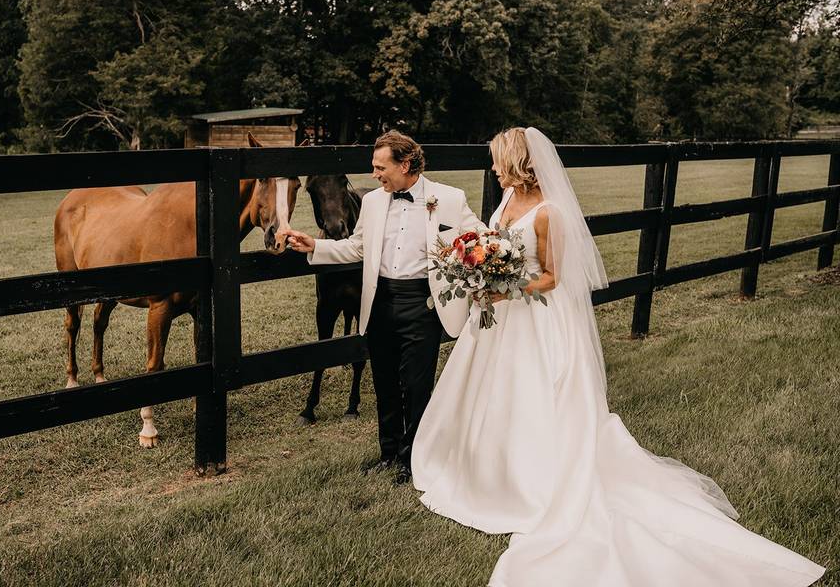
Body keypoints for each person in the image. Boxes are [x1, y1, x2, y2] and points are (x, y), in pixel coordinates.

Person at [411, 127, 826, 586]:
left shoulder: (550, 214)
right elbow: (493, 242)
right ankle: (482, 471)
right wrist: (480, 269)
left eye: (496, 159)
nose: (492, 167)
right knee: (490, 393)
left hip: (534, 318)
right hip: (500, 318)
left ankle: (529, 483)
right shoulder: (507, 197)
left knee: (534, 396)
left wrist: (506, 286)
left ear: (516, 161)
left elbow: (551, 278)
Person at [285, 130, 484, 484]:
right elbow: (357, 247)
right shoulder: (374, 202)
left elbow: (481, 241)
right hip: (379, 303)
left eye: (381, 167)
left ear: (405, 164)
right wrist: (314, 245)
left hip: (422, 305)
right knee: (385, 383)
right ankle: (389, 452)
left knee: (416, 385)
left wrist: (493, 267)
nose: (375, 174)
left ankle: (414, 459)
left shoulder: (449, 199)